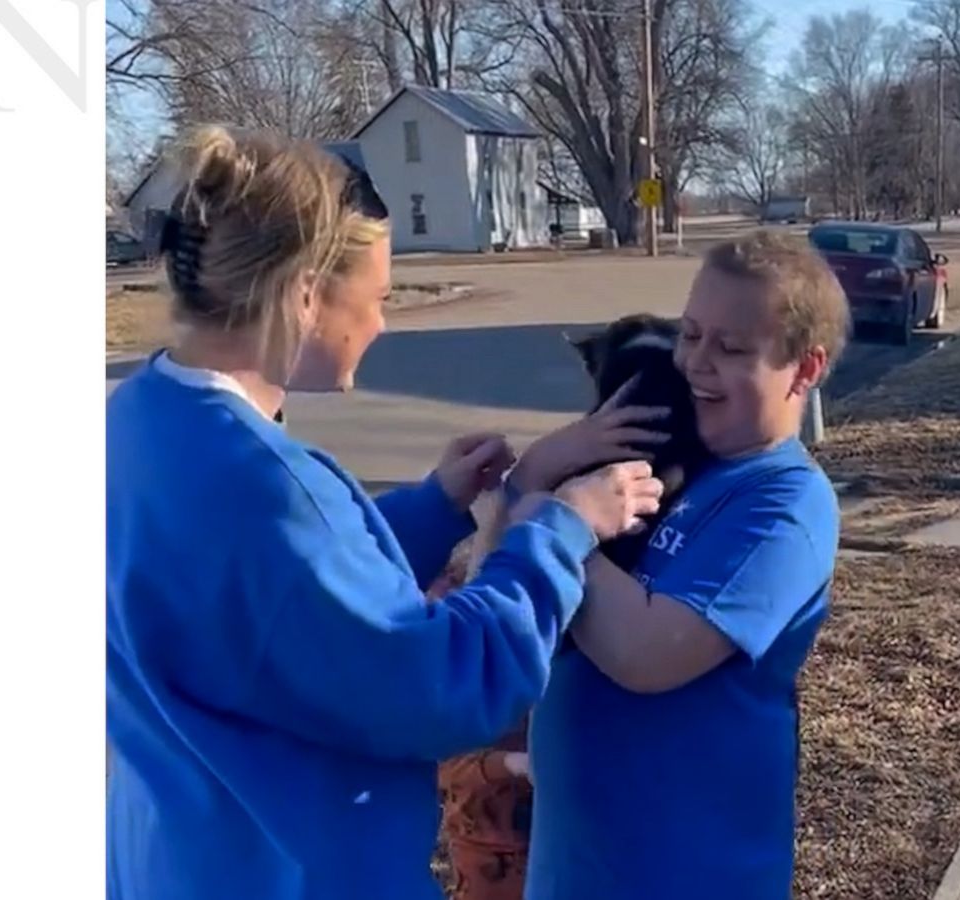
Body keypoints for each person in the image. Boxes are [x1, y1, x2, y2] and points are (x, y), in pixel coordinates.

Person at [105, 125, 668, 900]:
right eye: (376, 298)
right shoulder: (269, 491)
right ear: (304, 294)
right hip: (284, 871)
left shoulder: (139, 419)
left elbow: (274, 606)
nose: (380, 323)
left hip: (174, 857)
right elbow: (444, 688)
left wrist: (434, 509)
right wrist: (560, 531)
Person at [512, 230, 852, 899]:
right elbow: (507, 566)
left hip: (691, 877)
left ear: (805, 370)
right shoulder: (673, 454)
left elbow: (645, 654)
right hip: (571, 874)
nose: (696, 363)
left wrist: (555, 519)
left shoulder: (783, 503)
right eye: (690, 334)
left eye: (730, 348)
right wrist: (545, 471)